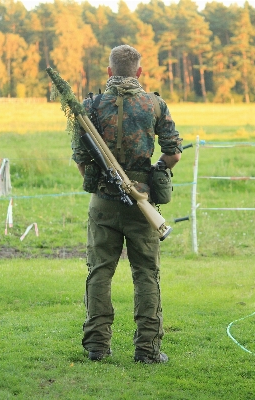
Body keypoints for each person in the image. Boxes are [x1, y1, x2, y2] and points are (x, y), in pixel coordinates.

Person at [72, 44, 183, 364]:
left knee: (99, 273)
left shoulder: (89, 107)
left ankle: (97, 346)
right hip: (142, 202)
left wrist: (105, 182)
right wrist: (148, 180)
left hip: (103, 203)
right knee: (146, 274)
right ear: (139, 72)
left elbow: (80, 159)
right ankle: (147, 350)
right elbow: (173, 152)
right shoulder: (154, 104)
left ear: (109, 72)